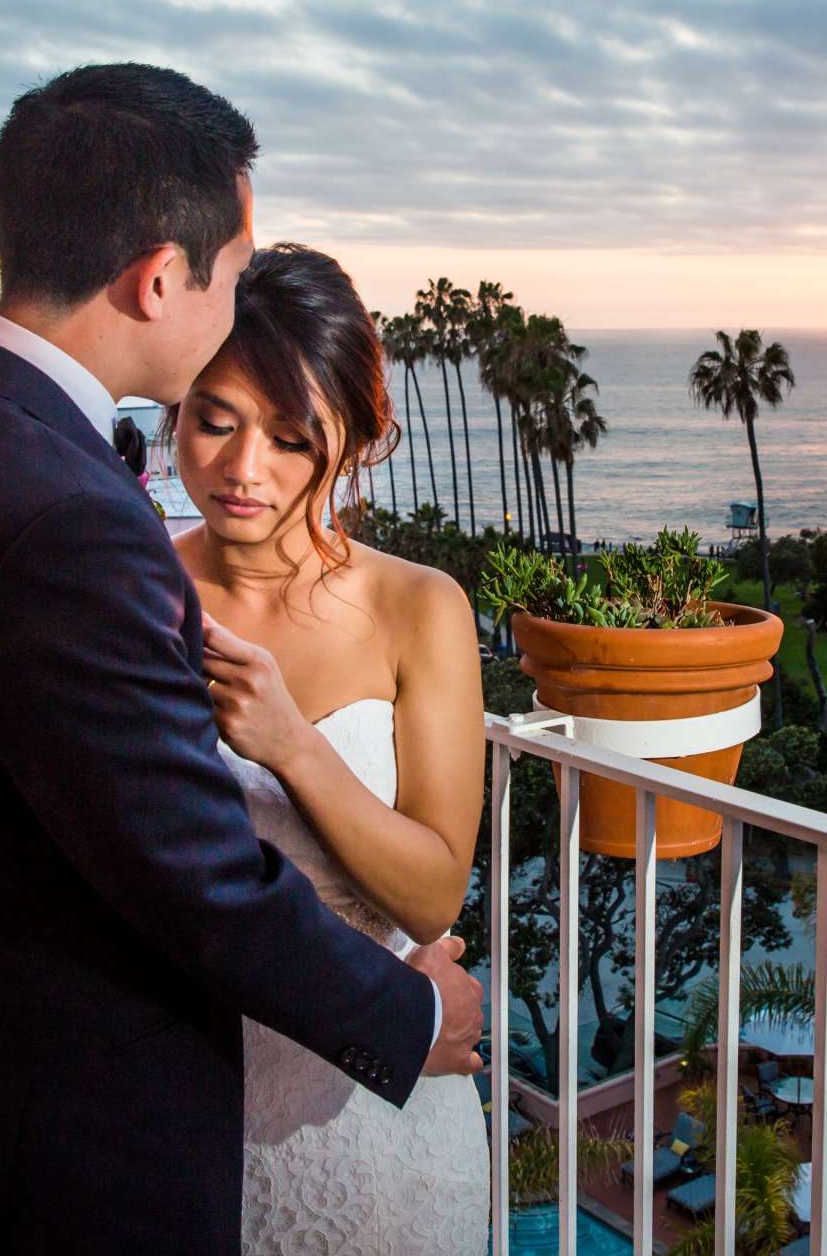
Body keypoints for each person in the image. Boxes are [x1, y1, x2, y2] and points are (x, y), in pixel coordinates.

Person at [0, 65, 484, 1255]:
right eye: (230, 272)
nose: (246, 464)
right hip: (88, 1139)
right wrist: (403, 1015)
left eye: (291, 437)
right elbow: (199, 885)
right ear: (158, 279)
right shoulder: (78, 526)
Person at [175, 243, 489, 1251]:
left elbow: (435, 893)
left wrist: (293, 746)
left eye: (289, 437)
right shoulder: (136, 587)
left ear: (357, 438)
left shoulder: (418, 608)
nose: (241, 469)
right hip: (193, 1106)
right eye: (213, 420)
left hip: (389, 1110)